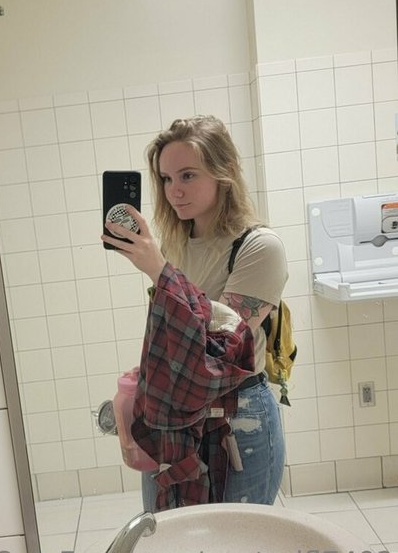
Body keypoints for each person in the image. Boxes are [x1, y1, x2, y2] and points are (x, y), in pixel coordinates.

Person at [101, 115, 288, 509]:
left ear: (224, 172)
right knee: (170, 532)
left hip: (238, 417)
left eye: (187, 175)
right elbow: (173, 330)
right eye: (166, 179)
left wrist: (159, 271)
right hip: (175, 417)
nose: (174, 191)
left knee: (238, 535)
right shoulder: (175, 243)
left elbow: (222, 347)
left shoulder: (258, 246)